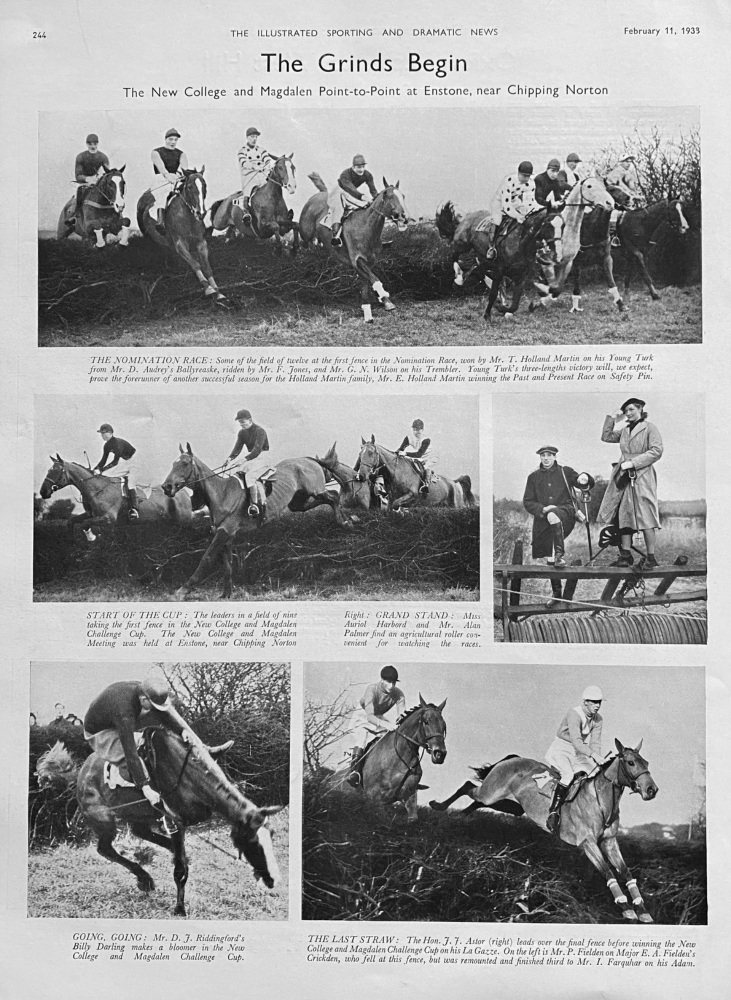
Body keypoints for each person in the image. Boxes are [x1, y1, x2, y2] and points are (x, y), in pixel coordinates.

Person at [83, 678, 189, 828]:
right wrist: (145, 787)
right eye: (152, 705)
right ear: (143, 698)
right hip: (99, 731)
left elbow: (162, 713)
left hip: (115, 716)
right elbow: (130, 753)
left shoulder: (145, 690)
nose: (154, 709)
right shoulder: (125, 711)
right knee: (133, 757)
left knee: (153, 740)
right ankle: (158, 808)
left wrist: (181, 730)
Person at [523, 447, 594, 606]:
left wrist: (584, 477)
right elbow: (528, 502)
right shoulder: (533, 477)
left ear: (555, 457)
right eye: (543, 456)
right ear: (540, 458)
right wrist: (542, 509)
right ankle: (556, 593)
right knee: (549, 554)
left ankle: (560, 556)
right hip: (543, 520)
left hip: (565, 513)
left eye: (549, 455)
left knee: (553, 515)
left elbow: (580, 481)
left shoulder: (565, 471)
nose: (546, 458)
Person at [597, 398, 663, 568]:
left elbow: (656, 451)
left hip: (643, 475)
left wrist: (633, 463)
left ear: (640, 409)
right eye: (625, 411)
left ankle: (651, 557)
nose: (628, 413)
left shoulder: (649, 427)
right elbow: (606, 436)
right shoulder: (625, 430)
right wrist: (612, 417)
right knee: (624, 513)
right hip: (624, 476)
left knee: (646, 513)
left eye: (631, 409)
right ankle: (625, 556)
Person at [544, 685, 605, 834]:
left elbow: (595, 742)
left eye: (599, 702)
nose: (597, 706)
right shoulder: (574, 713)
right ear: (585, 702)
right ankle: (554, 813)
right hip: (561, 749)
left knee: (594, 773)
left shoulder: (598, 719)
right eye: (594, 702)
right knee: (568, 775)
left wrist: (597, 759)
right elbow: (577, 741)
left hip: (578, 752)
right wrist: (593, 755)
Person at [346, 666, 406, 787]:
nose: (392, 686)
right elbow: (369, 717)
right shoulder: (372, 689)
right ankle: (354, 772)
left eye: (394, 682)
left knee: (389, 738)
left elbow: (402, 716)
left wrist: (400, 721)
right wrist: (387, 724)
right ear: (382, 680)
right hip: (363, 715)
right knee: (362, 736)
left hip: (378, 717)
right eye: (389, 682)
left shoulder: (399, 694)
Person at [222, 408, 273, 520]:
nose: (241, 424)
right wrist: (230, 458)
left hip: (263, 457)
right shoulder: (242, 433)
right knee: (234, 471)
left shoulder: (260, 431)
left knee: (250, 475)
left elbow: (257, 449)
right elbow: (238, 448)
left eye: (243, 422)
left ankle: (254, 505)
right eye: (240, 422)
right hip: (252, 458)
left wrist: (244, 459)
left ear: (250, 420)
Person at [483, 161, 542, 258]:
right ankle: (491, 247)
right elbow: (506, 206)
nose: (526, 179)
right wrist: (518, 216)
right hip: (500, 202)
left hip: (514, 201)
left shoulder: (530, 183)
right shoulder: (509, 180)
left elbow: (530, 203)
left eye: (528, 176)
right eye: (524, 176)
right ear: (518, 173)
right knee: (497, 221)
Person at [327, 154, 378, 246]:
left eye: (363, 167)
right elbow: (350, 188)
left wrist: (377, 198)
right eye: (358, 167)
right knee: (339, 208)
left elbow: (373, 190)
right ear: (353, 167)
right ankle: (336, 237)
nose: (361, 170)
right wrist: (362, 196)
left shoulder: (367, 175)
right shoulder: (345, 174)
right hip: (339, 190)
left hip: (351, 193)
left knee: (365, 206)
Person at [65, 133, 111, 232]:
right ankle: (74, 216)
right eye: (90, 144)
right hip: (85, 184)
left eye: (95, 143)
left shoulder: (103, 157)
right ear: (87, 144)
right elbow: (78, 175)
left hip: (99, 184)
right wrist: (88, 179)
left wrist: (99, 179)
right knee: (80, 191)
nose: (93, 146)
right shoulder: (81, 157)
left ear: (98, 144)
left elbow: (107, 173)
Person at [93, 422, 139, 520]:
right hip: (127, 462)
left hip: (136, 461)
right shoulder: (106, 446)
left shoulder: (118, 443)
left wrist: (102, 470)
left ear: (110, 433)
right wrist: (95, 469)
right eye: (101, 434)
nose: (102, 436)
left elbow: (115, 462)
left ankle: (134, 509)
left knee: (131, 483)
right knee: (109, 475)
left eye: (104, 433)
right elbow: (103, 460)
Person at [150, 128, 188, 229]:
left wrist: (180, 176)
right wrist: (168, 176)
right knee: (163, 194)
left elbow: (184, 168)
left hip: (175, 178)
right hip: (161, 178)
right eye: (171, 139)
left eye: (175, 140)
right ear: (165, 139)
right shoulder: (156, 152)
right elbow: (161, 167)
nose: (173, 142)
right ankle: (161, 221)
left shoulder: (181, 154)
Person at [237, 127, 278, 223]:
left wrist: (268, 165)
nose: (254, 139)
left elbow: (267, 159)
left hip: (262, 174)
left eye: (256, 137)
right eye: (252, 137)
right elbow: (244, 163)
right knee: (248, 191)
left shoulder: (261, 149)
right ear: (247, 137)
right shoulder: (242, 151)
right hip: (249, 176)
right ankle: (246, 213)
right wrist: (255, 167)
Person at [396, 418, 436, 495]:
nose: (416, 432)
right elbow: (401, 449)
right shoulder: (409, 437)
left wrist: (405, 454)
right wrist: (395, 453)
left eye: (418, 430)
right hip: (417, 456)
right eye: (414, 430)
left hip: (428, 456)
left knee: (426, 467)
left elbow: (419, 454)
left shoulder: (426, 440)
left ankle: (425, 485)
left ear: (422, 430)